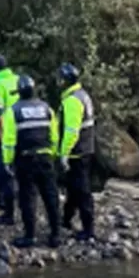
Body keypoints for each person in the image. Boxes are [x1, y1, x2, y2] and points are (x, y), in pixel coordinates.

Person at [6, 75, 61, 248]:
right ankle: (56, 235)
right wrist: (52, 154)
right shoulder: (46, 108)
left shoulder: (13, 111)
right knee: (50, 196)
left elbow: (9, 140)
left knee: (27, 197)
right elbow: (54, 134)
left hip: (25, 158)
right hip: (45, 157)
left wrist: (8, 162)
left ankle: (30, 235)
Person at [57, 63, 96, 241]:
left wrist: (64, 153)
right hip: (85, 149)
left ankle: (88, 230)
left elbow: (71, 131)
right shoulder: (82, 95)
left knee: (81, 190)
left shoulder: (72, 100)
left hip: (77, 152)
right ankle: (66, 220)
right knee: (73, 189)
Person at [0, 54, 20, 223]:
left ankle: (8, 212)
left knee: (4, 173)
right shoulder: (17, 79)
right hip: (23, 132)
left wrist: (0, 132)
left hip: (7, 133)